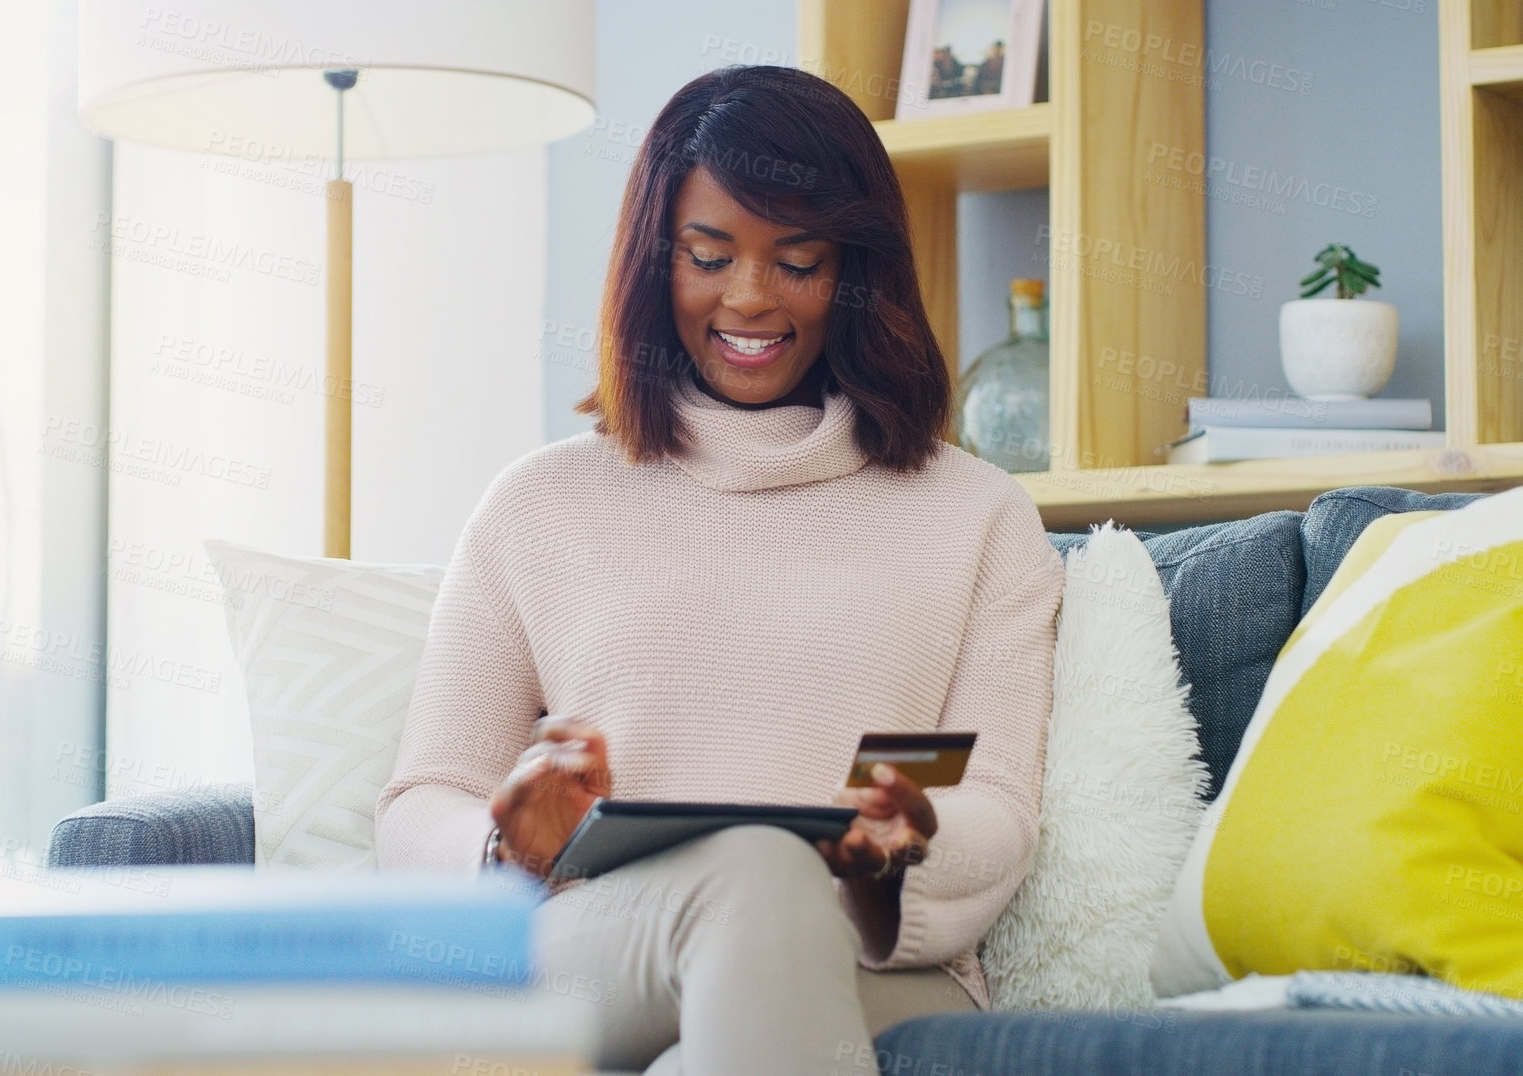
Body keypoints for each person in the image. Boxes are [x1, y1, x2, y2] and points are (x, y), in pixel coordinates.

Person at [375, 64, 1063, 1076]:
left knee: (754, 932)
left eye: (799, 260)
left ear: (855, 275)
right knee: (752, 872)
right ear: (658, 261)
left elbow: (999, 805)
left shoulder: (979, 515)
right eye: (709, 254)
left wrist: (915, 828)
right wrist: (503, 837)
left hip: (872, 964)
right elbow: (418, 802)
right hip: (599, 946)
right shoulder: (538, 505)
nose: (748, 296)